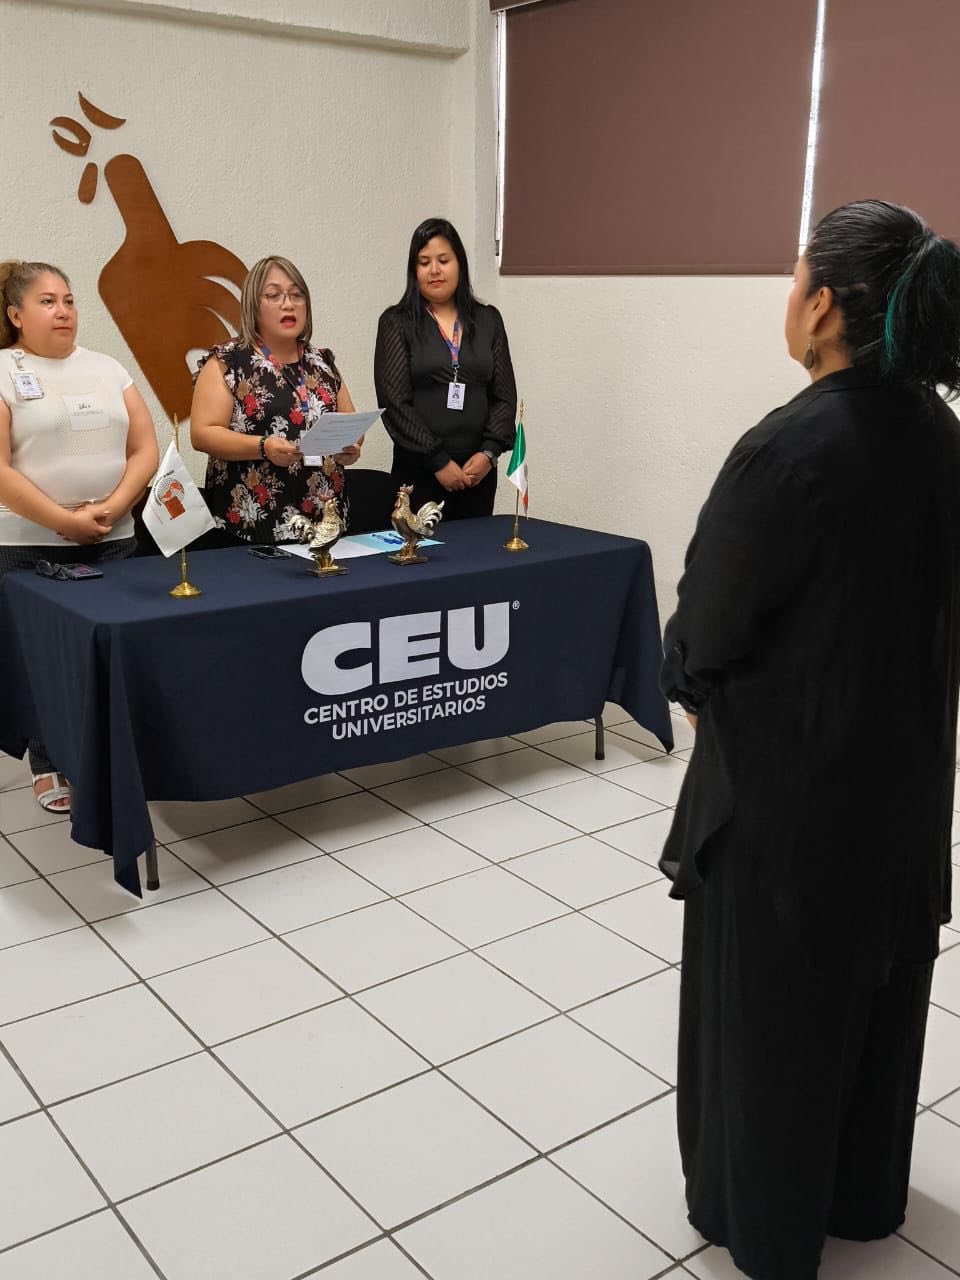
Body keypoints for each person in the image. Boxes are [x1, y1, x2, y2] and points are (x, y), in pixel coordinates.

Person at [659, 200, 960, 1280]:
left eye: (795, 278)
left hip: (787, 807)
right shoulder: (941, 435)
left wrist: (688, 680)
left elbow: (704, 632)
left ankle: (768, 1225)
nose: (788, 297)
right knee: (877, 995)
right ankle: (863, 1194)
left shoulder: (787, 451)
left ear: (824, 306)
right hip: (906, 789)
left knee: (775, 1020)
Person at [0, 259, 159, 813]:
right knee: (45, 658)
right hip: (28, 544)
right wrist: (61, 520)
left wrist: (115, 506)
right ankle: (48, 761)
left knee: (109, 651)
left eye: (68, 300)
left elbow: (144, 447)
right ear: (15, 315)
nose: (63, 310)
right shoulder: (4, 370)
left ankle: (109, 755)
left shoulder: (107, 368)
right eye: (47, 302)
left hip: (113, 536)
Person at [190, 256, 362, 542]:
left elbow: (350, 423)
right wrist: (263, 447)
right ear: (253, 306)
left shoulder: (321, 361)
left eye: (297, 295)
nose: (288, 304)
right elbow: (202, 434)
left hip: (326, 524)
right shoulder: (229, 361)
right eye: (274, 295)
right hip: (253, 527)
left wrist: (350, 448)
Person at [374, 218, 517, 518]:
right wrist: (438, 460)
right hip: (419, 474)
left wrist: (488, 454)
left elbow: (504, 397)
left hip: (477, 475)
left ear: (459, 264)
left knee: (476, 546)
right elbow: (394, 403)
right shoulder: (397, 322)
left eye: (443, 260)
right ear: (414, 270)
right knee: (420, 547)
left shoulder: (488, 320)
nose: (435, 270)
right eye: (424, 262)